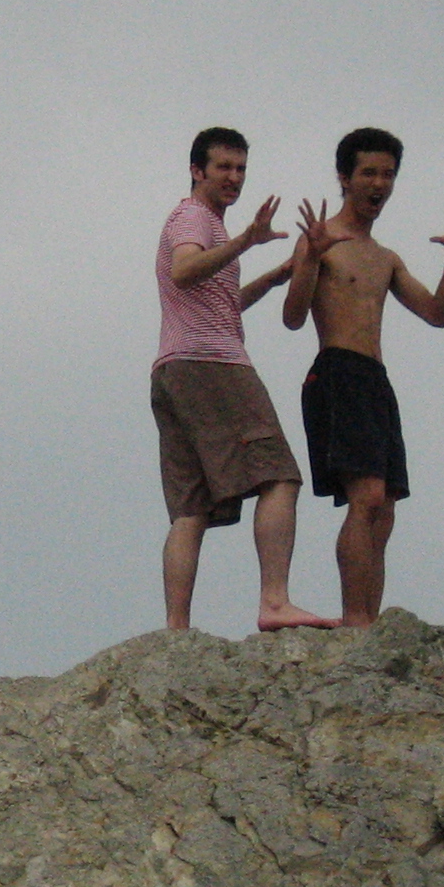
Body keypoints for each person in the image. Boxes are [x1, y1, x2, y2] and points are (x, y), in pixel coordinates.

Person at [281, 127, 444, 629]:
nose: (379, 184)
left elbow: (437, 313)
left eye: (388, 174)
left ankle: (368, 622)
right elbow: (291, 316)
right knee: (366, 497)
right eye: (369, 173)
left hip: (376, 380)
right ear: (344, 178)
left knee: (386, 506)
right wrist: (309, 256)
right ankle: (354, 619)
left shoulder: (386, 257)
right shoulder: (321, 240)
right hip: (336, 371)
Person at [152, 126, 336, 633]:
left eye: (240, 169)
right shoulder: (194, 217)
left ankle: (176, 630)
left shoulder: (199, 223)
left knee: (190, 509)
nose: (234, 178)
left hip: (173, 370)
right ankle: (275, 601)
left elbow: (217, 304)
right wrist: (245, 241)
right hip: (214, 366)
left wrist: (275, 276)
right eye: (223, 168)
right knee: (279, 476)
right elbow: (186, 271)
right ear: (197, 170)